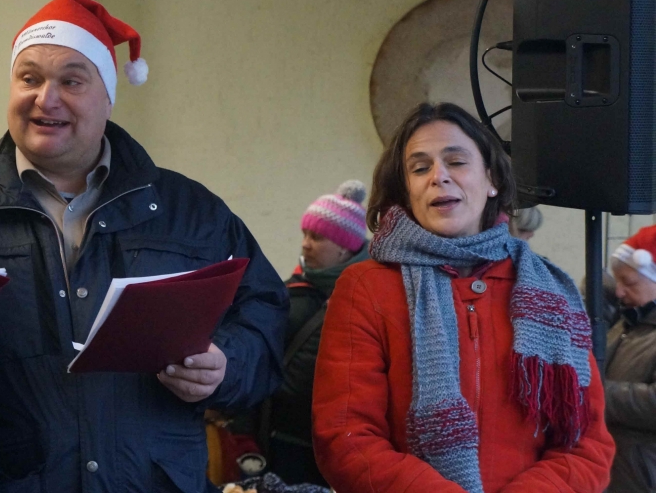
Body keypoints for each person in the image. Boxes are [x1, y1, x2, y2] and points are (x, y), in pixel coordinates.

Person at [0, 0, 288, 493]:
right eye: (29, 78)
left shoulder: (191, 212)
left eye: (71, 81)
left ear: (107, 97)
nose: (46, 99)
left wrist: (226, 364)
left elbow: (265, 314)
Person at [313, 102, 614, 492]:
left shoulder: (549, 292)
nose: (438, 176)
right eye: (419, 168)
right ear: (405, 190)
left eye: (456, 162)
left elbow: (586, 444)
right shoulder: (366, 287)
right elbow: (346, 437)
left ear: (492, 180)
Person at [263, 180, 369, 486]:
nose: (305, 244)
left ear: (344, 247)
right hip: (281, 437)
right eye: (305, 234)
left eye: (317, 237)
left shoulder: (370, 297)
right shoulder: (288, 294)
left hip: (343, 444)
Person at [602, 227, 656, 492]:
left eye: (630, 282)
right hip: (617, 470)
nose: (620, 292)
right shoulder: (628, 323)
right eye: (618, 282)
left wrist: (596, 393)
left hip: (642, 476)